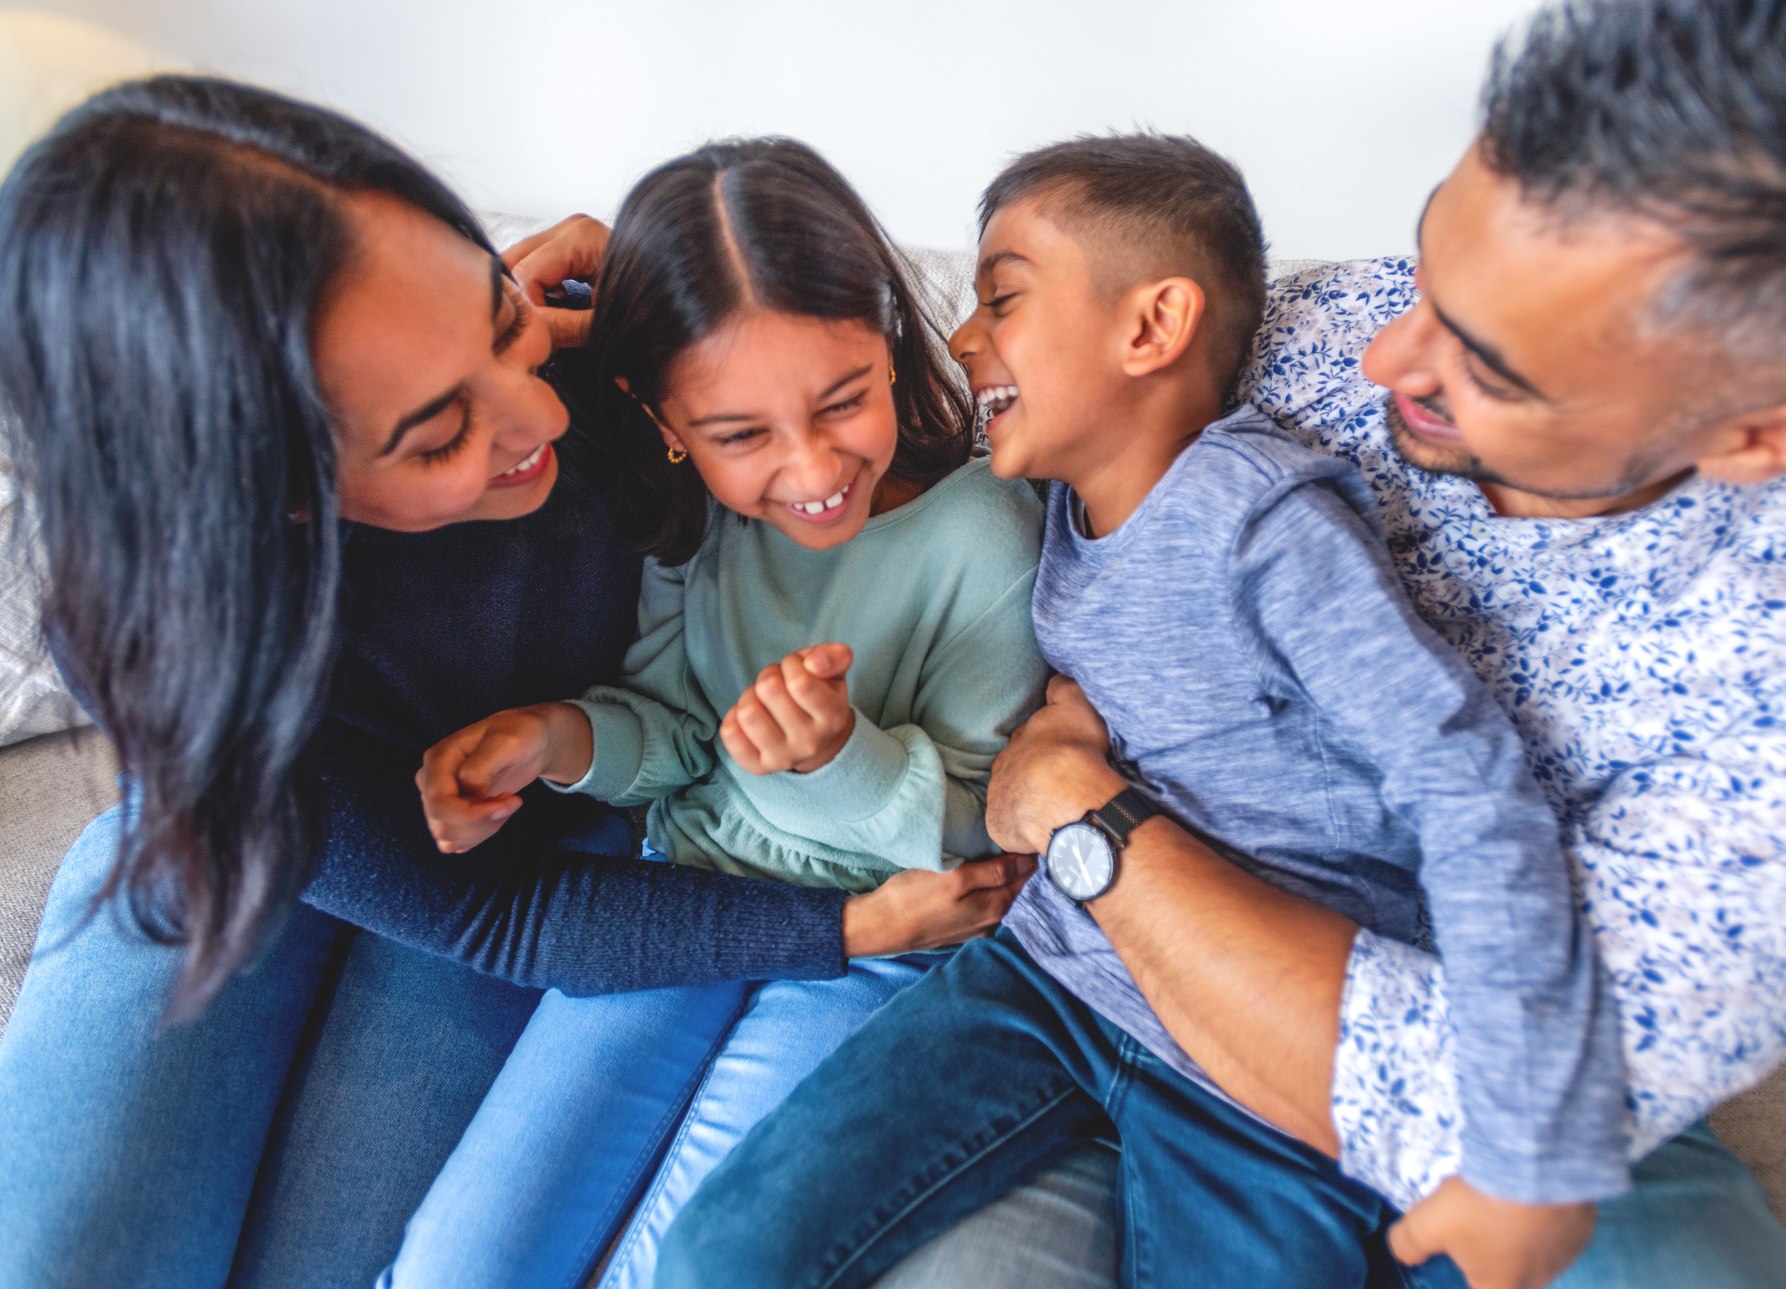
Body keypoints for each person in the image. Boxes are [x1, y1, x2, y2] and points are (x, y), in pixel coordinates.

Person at [658, 0, 1786, 1289]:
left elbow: (1493, 1044)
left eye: (1488, 364)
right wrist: (628, 324)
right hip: (1071, 970)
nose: (1382, 359)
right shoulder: (1320, 337)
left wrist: (1079, 809)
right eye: (1423, 264)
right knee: (723, 1251)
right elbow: (1038, 442)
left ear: (1760, 435)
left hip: (1488, 1036)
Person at [0, 78, 1034, 1289]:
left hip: (542, 846)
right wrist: (842, 926)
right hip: (277, 841)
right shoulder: (158, 626)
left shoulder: (639, 390)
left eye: (503, 320)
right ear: (277, 491)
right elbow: (487, 917)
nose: (541, 409)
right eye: (440, 433)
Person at [657, 130, 1624, 1289]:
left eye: (1002, 297)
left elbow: (1464, 775)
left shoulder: (1267, 522)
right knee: (722, 1252)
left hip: (1253, 1052)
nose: (963, 341)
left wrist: (1520, 1132)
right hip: (1049, 977)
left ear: (1151, 327)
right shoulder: (1056, 510)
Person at [386, 138, 1049, 1289]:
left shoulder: (984, 531)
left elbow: (988, 828)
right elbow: (674, 730)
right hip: (688, 897)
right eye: (741, 434)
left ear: (890, 345)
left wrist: (839, 756)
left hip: (883, 942)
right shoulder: (699, 523)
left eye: (843, 402)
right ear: (663, 420)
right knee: (458, 1264)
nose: (810, 468)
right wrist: (556, 738)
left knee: (698, 1268)